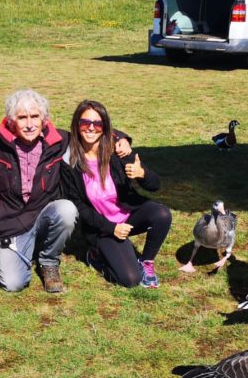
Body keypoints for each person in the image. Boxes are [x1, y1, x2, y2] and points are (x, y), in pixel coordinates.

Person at [0, 89, 131, 293]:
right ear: (12, 121)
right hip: (11, 223)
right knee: (13, 284)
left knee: (67, 209)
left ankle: (49, 261)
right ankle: (25, 249)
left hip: (44, 213)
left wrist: (119, 138)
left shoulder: (59, 141)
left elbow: (89, 132)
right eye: (22, 118)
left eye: (35, 116)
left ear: (44, 119)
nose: (29, 124)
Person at [61, 100, 172, 288]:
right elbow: (80, 207)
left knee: (161, 214)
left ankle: (146, 262)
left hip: (128, 217)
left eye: (97, 123)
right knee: (130, 280)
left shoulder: (118, 152)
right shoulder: (70, 162)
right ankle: (95, 255)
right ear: (76, 125)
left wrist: (142, 174)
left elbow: (155, 185)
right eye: (84, 122)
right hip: (102, 227)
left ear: (105, 127)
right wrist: (111, 228)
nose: (90, 128)